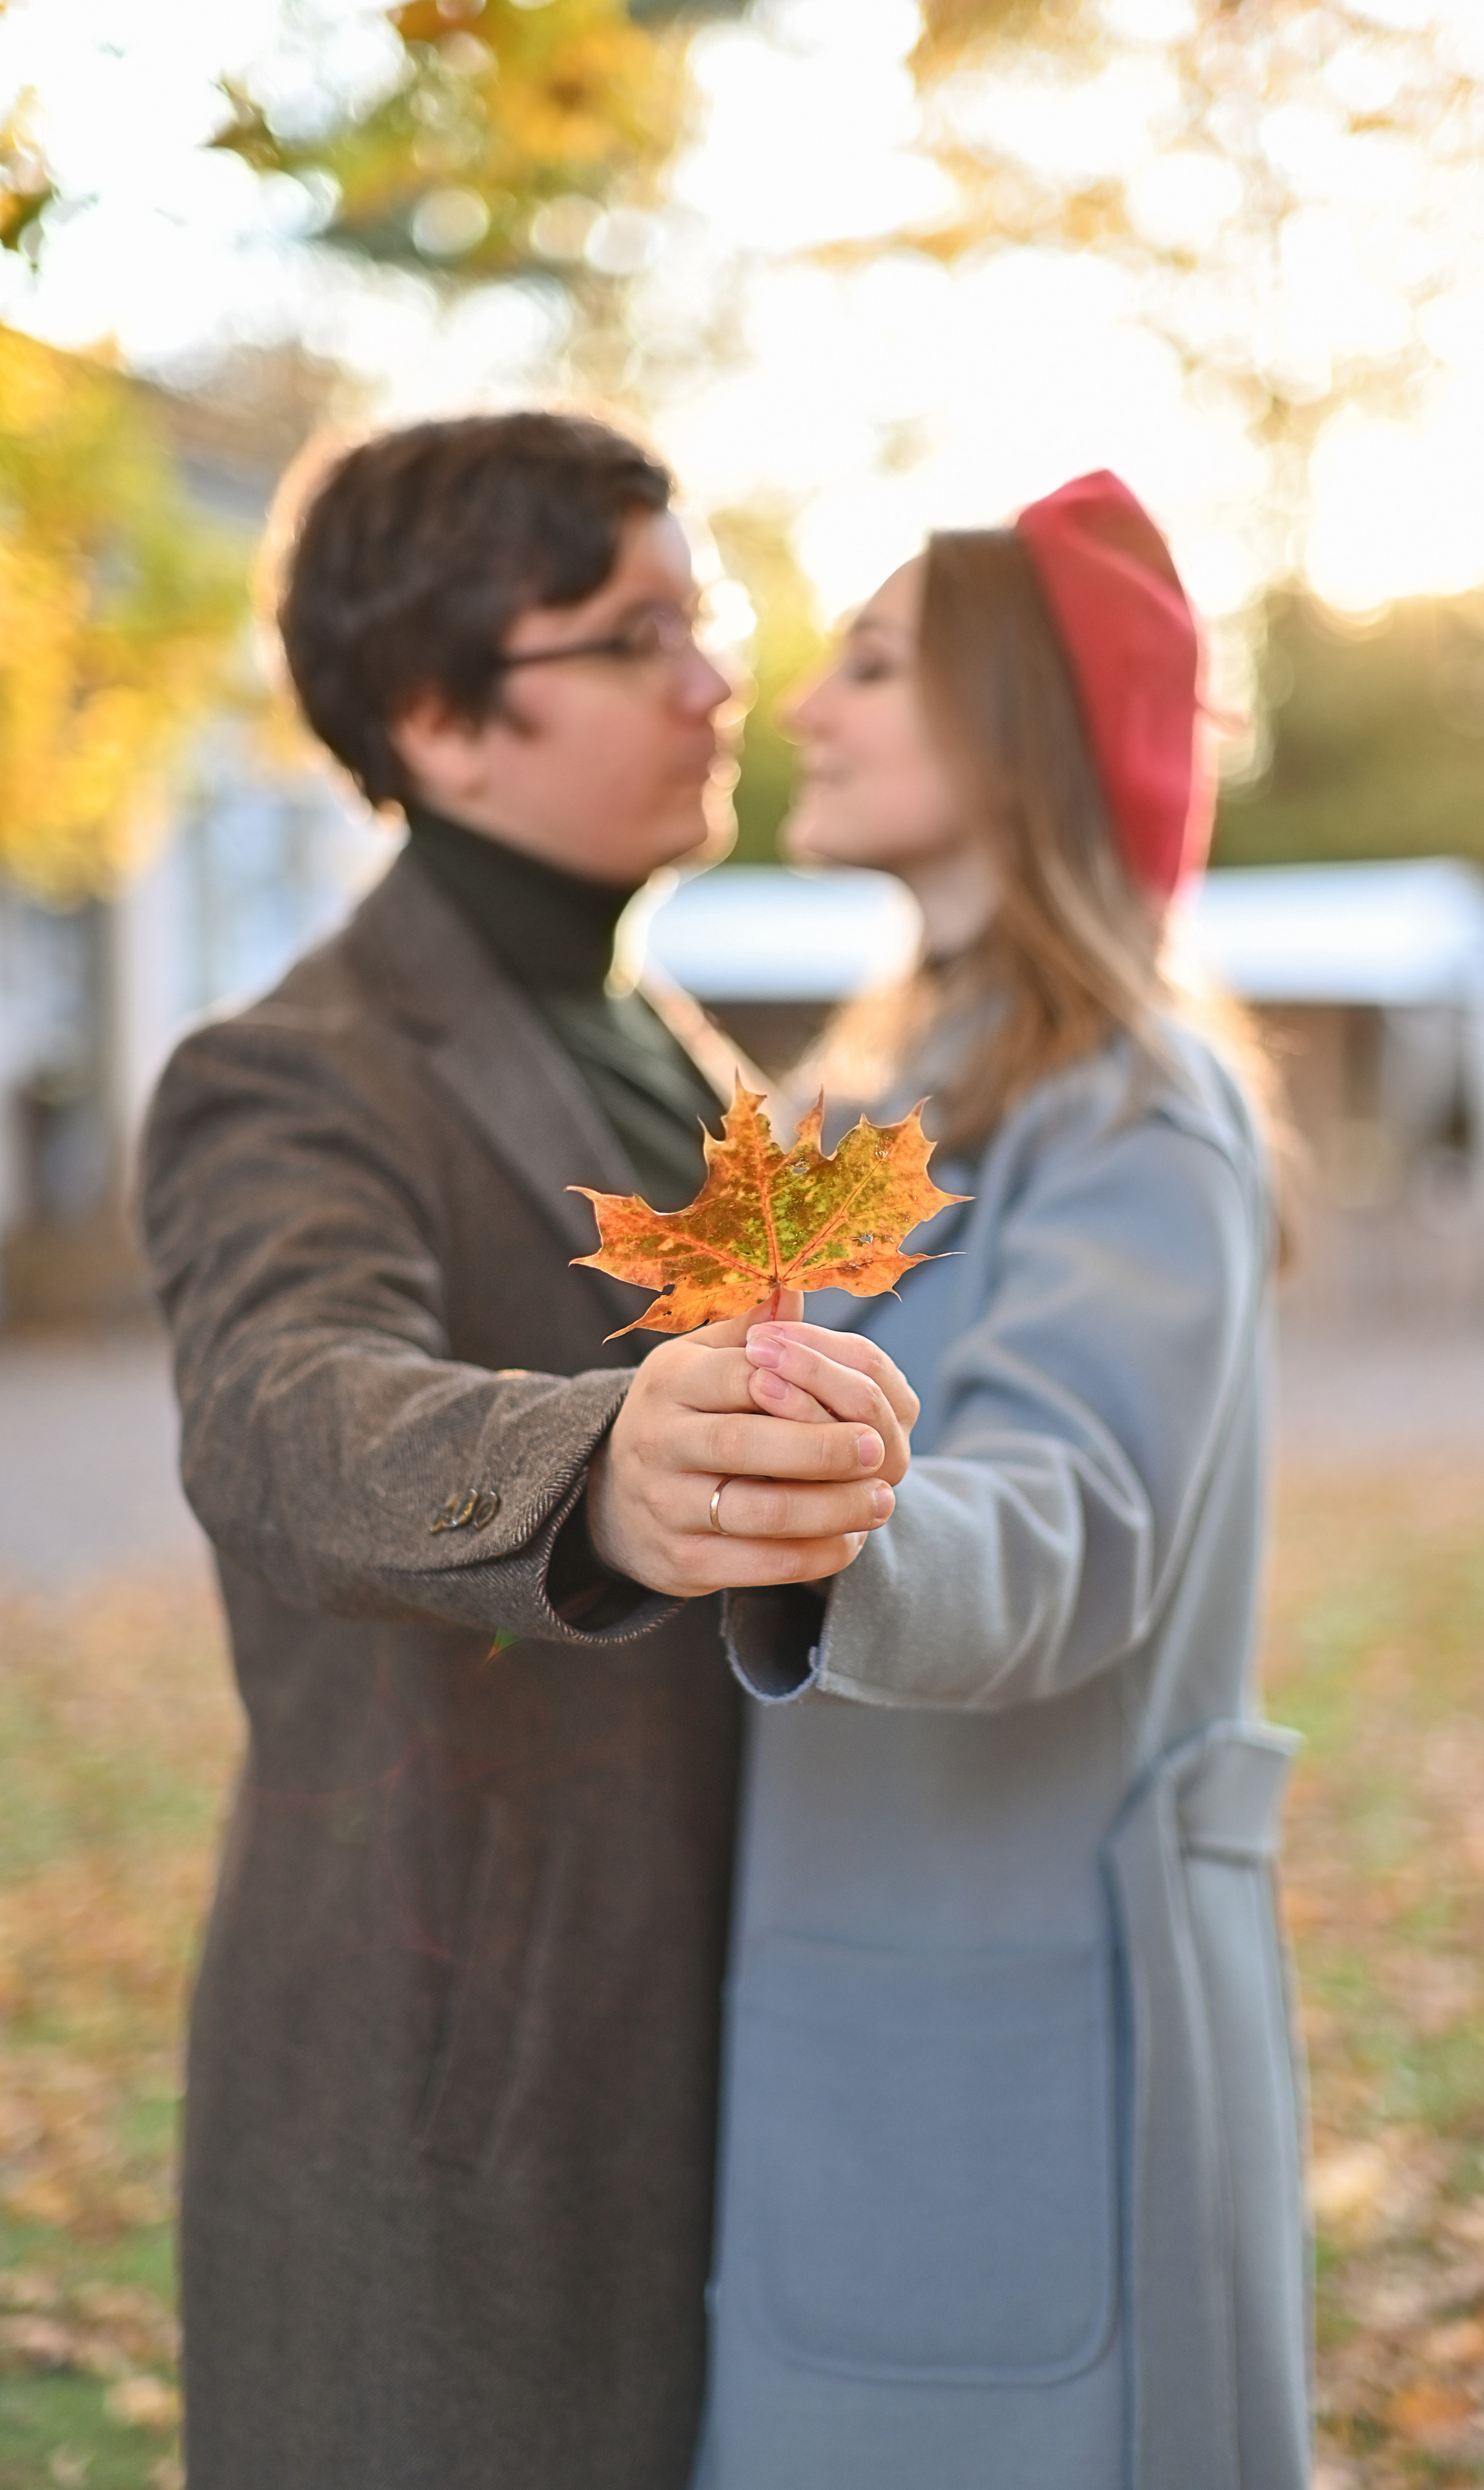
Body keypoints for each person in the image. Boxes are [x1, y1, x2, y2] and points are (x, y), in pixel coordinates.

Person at [139, 411, 910, 2490]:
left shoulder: (696, 1063)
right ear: (440, 720)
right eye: (633, 632)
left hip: (754, 2028)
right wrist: (596, 1471)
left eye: (709, 612)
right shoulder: (286, 1075)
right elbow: (286, 1411)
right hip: (460, 2069)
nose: (714, 677)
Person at [691, 473, 1313, 2487]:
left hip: (1048, 2014)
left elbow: (1069, 1523)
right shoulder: (858, 1101)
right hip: (839, 1991)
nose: (803, 707)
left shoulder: (1134, 1105)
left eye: (873, 664)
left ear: (1016, 721)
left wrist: (808, 1512)